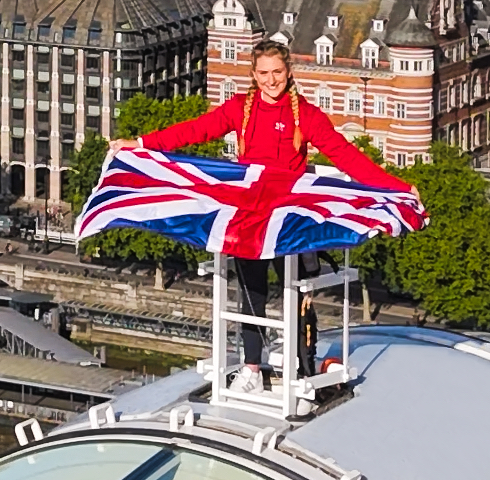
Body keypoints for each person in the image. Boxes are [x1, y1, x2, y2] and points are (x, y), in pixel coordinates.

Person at [134, 42, 399, 391]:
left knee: (298, 293)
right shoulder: (240, 109)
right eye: (263, 73)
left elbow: (345, 155)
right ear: (253, 75)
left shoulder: (305, 115)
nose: (271, 80)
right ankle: (252, 369)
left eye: (277, 72)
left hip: (289, 219)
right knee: (252, 293)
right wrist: (141, 144)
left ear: (288, 72)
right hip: (252, 217)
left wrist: (395, 188)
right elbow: (195, 130)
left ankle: (303, 366)